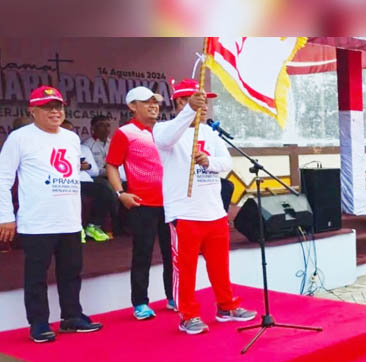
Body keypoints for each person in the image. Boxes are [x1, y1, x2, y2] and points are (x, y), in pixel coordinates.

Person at [0, 86, 103, 343]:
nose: (55, 111)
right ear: (32, 110)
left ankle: (71, 317)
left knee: (71, 272)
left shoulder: (69, 138)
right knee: (36, 275)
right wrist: (5, 216)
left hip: (68, 219)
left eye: (58, 106)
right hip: (37, 221)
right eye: (47, 107)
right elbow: (3, 178)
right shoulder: (20, 138)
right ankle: (38, 323)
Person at [153, 78, 256, 334]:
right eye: (195, 100)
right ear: (179, 102)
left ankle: (226, 306)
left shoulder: (210, 132)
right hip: (184, 213)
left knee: (220, 266)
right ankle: (188, 315)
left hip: (214, 212)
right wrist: (189, 111)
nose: (203, 106)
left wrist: (208, 161)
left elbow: (227, 164)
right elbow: (166, 140)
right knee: (185, 270)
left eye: (204, 101)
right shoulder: (165, 129)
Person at [105, 86, 175, 320]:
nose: (154, 106)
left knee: (173, 254)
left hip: (172, 203)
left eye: (155, 102)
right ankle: (140, 303)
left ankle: (174, 295)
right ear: (132, 106)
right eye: (146, 102)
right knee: (142, 253)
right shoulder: (125, 133)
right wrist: (120, 193)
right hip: (142, 203)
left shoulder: (166, 131)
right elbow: (112, 164)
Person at [60, 120, 112, 243]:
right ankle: (77, 229)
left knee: (106, 191)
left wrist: (86, 167)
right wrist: (75, 166)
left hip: (86, 180)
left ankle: (93, 226)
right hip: (67, 182)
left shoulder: (82, 148)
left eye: (70, 130)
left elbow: (94, 171)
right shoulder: (52, 147)